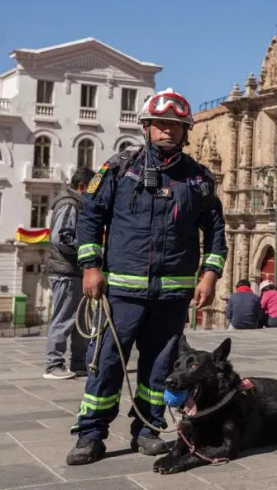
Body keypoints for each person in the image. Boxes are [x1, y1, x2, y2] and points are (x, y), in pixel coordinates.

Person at [65, 87, 228, 465]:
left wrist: (209, 275)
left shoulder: (199, 180)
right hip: (121, 292)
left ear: (186, 130)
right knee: (105, 364)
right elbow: (89, 217)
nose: (167, 131)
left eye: (175, 125)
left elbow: (216, 231)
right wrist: (90, 266)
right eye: (160, 124)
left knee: (160, 367)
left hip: (172, 296)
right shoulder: (119, 169)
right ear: (146, 127)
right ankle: (91, 434)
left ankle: (148, 429)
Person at [43, 166, 96, 380]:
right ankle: (53, 364)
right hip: (65, 271)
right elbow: (62, 237)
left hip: (76, 271)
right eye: (92, 190)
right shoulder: (69, 203)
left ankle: (78, 362)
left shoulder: (77, 203)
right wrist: (86, 250)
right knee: (64, 318)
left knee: (81, 319)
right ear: (82, 186)